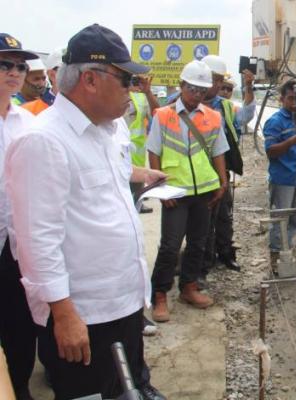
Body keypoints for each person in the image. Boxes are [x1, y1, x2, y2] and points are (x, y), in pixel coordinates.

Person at [6, 24, 165, 400]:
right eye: (126, 80)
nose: (133, 90)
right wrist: (63, 314)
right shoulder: (44, 141)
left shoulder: (105, 133)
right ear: (91, 80)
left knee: (122, 388)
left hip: (120, 303)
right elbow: (36, 240)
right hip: (84, 315)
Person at [147, 59, 229, 323]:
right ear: (182, 85)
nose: (196, 95)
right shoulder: (163, 115)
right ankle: (160, 293)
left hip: (204, 190)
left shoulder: (213, 117)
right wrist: (161, 188)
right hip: (176, 191)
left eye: (201, 91)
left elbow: (218, 152)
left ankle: (189, 287)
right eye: (192, 89)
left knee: (199, 242)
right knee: (170, 245)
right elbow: (154, 152)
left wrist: (222, 182)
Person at [0, 32, 38, 400]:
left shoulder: (27, 123)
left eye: (20, 66)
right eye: (5, 64)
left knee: (20, 326)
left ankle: (21, 388)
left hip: (16, 246)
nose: (15, 72)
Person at [201, 55, 255, 272]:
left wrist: (249, 87)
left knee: (224, 215)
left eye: (222, 83)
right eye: (216, 82)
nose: (219, 87)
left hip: (220, 170)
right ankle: (204, 260)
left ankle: (225, 253)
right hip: (195, 173)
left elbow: (245, 116)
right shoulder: (182, 103)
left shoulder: (224, 107)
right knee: (201, 220)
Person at [264, 80, 296, 273]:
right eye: (290, 98)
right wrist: (291, 141)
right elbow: (271, 151)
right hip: (283, 179)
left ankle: (287, 254)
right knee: (281, 219)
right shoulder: (275, 121)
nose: (294, 103)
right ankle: (276, 258)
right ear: (282, 99)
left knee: (294, 220)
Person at [125, 75, 159, 213]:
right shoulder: (115, 94)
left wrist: (148, 92)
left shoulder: (141, 98)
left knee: (134, 201)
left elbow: (157, 113)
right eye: (130, 80)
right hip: (117, 155)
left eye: (136, 81)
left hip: (136, 158)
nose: (134, 85)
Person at [22, 47, 64, 115]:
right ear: (52, 75)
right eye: (66, 69)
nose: (41, 83)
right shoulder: (27, 110)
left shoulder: (85, 107)